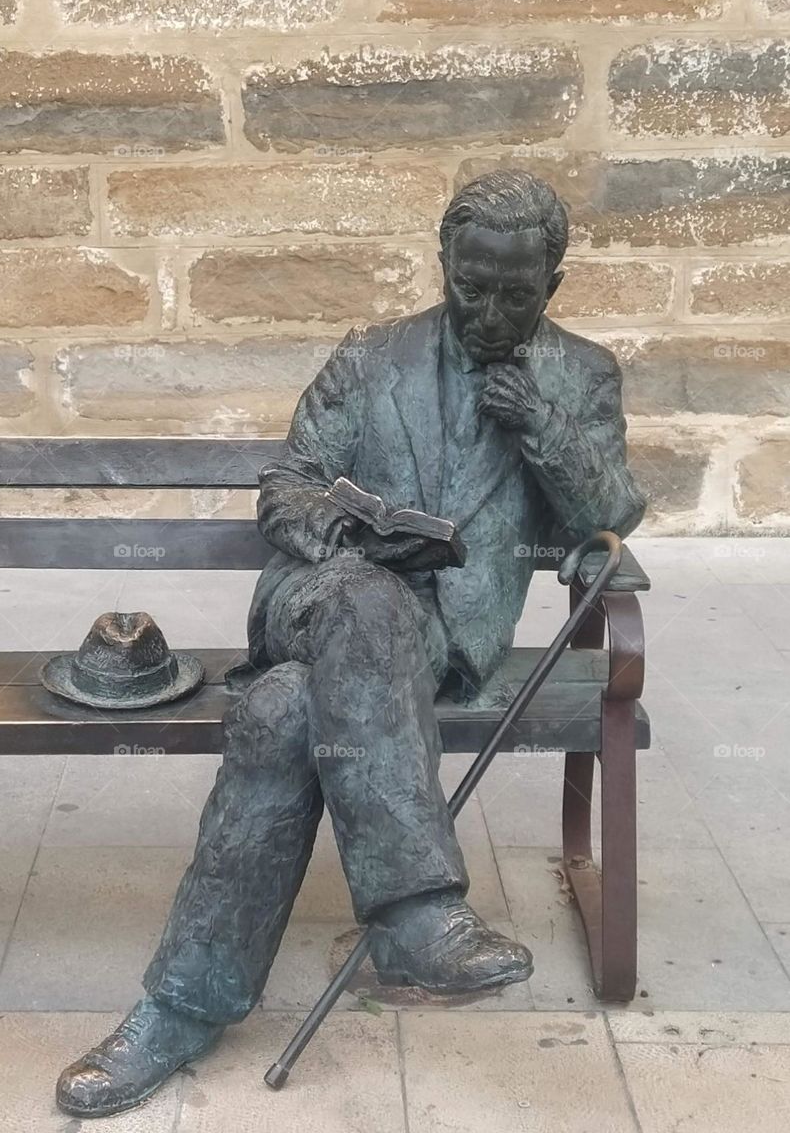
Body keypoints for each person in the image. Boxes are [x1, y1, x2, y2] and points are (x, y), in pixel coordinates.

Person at [57, 170, 646, 1117]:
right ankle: (415, 914)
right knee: (366, 600)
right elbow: (288, 483)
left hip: (439, 644)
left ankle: (177, 1008)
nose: (489, 307)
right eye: (471, 283)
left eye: (516, 291)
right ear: (444, 263)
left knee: (284, 716)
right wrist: (342, 535)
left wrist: (542, 424)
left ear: (554, 282)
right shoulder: (372, 360)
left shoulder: (580, 376)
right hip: (318, 601)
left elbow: (610, 519)